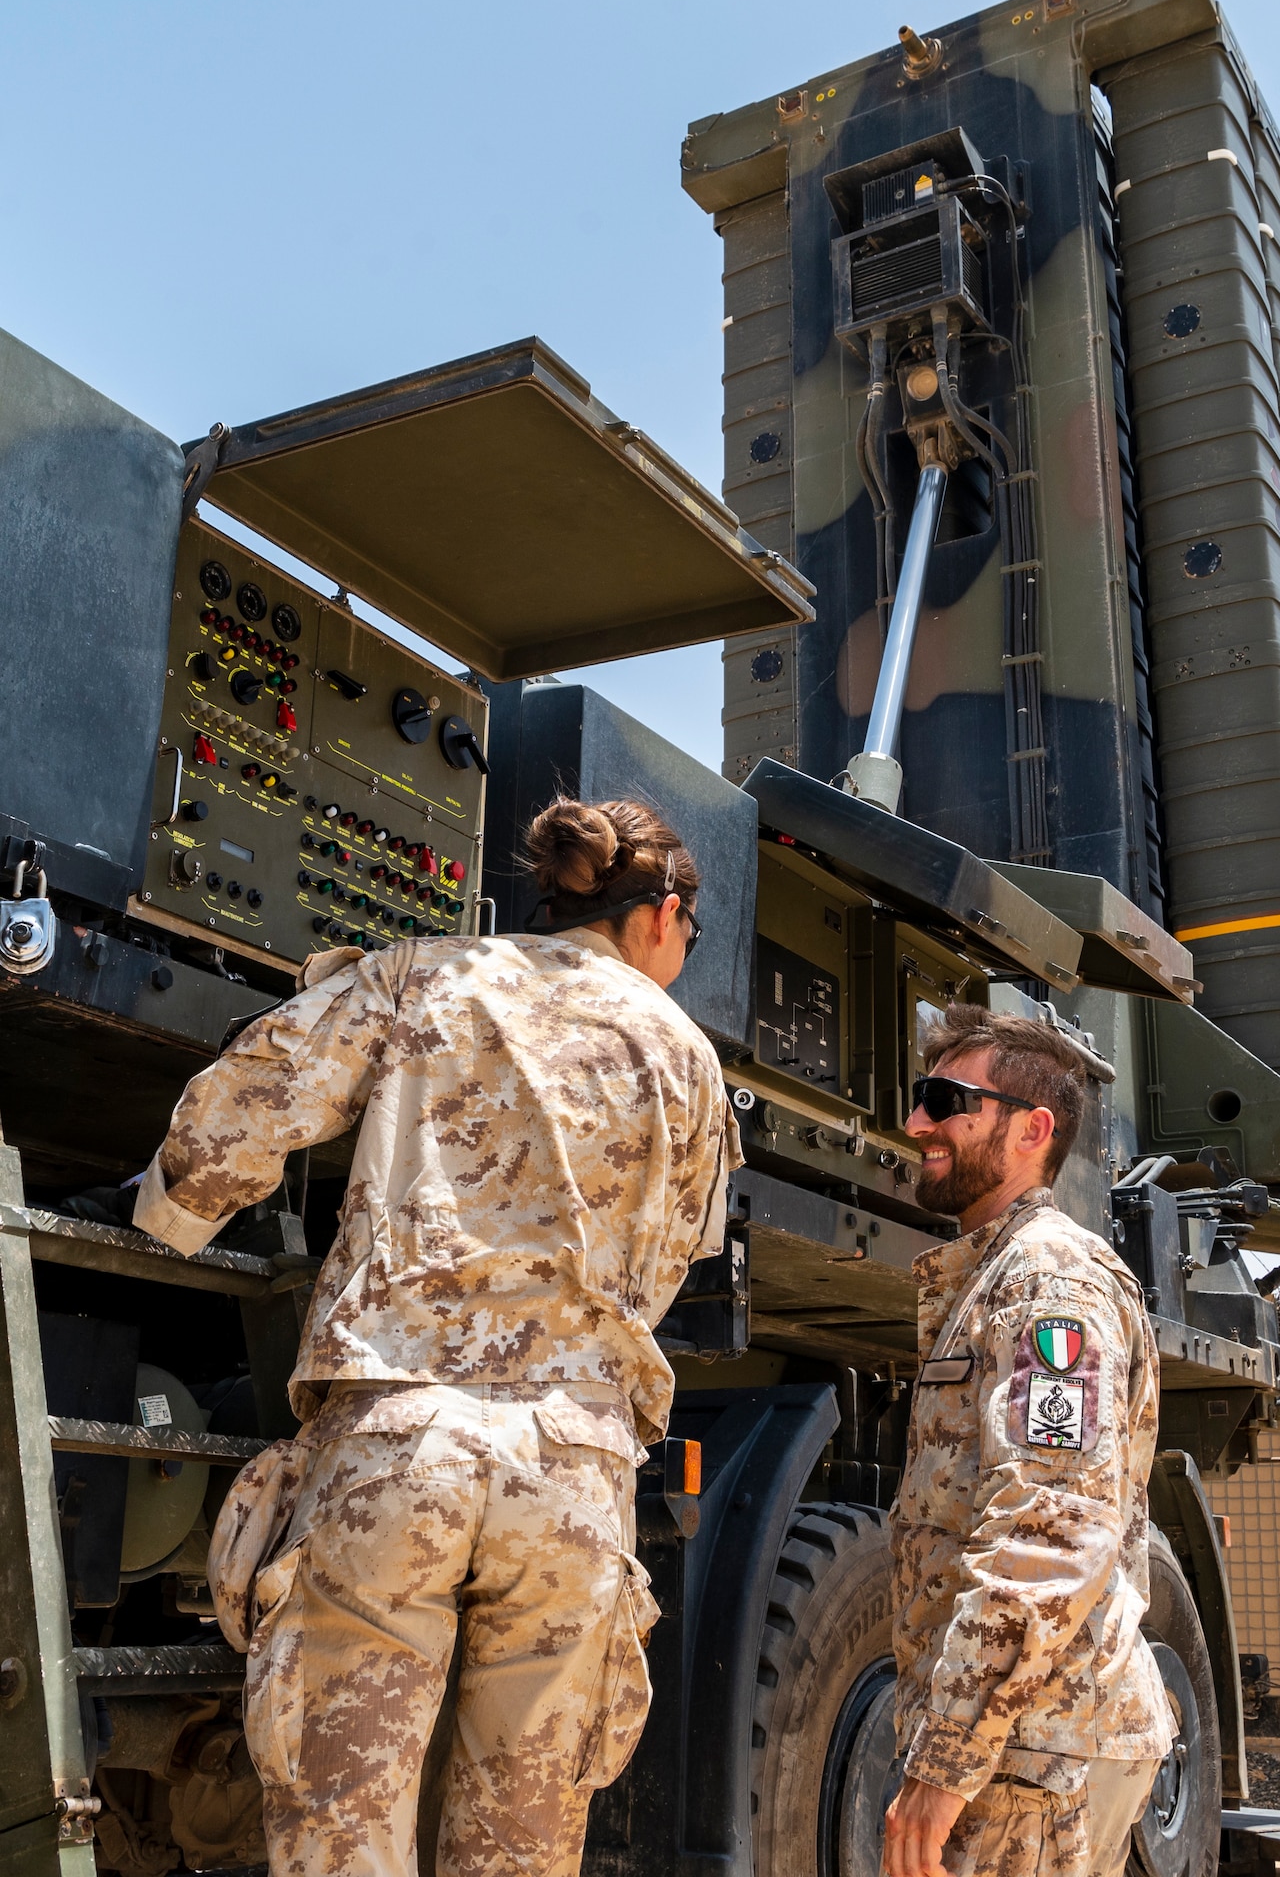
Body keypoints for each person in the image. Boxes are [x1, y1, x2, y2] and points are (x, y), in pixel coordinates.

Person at [135, 796, 740, 1877]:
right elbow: (671, 1262)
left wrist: (171, 1219)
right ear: (660, 913)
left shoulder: (423, 975)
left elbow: (247, 1101)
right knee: (522, 1843)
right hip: (575, 1468)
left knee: (342, 1832)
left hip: (397, 1441)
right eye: (691, 933)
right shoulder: (685, 1057)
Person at [881, 1006, 1173, 1877]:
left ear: (1031, 1130)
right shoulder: (998, 1277)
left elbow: (1049, 1533)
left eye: (944, 1100)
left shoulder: (1048, 1284)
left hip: (1031, 1762)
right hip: (1023, 1749)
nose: (916, 1122)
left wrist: (945, 1761)